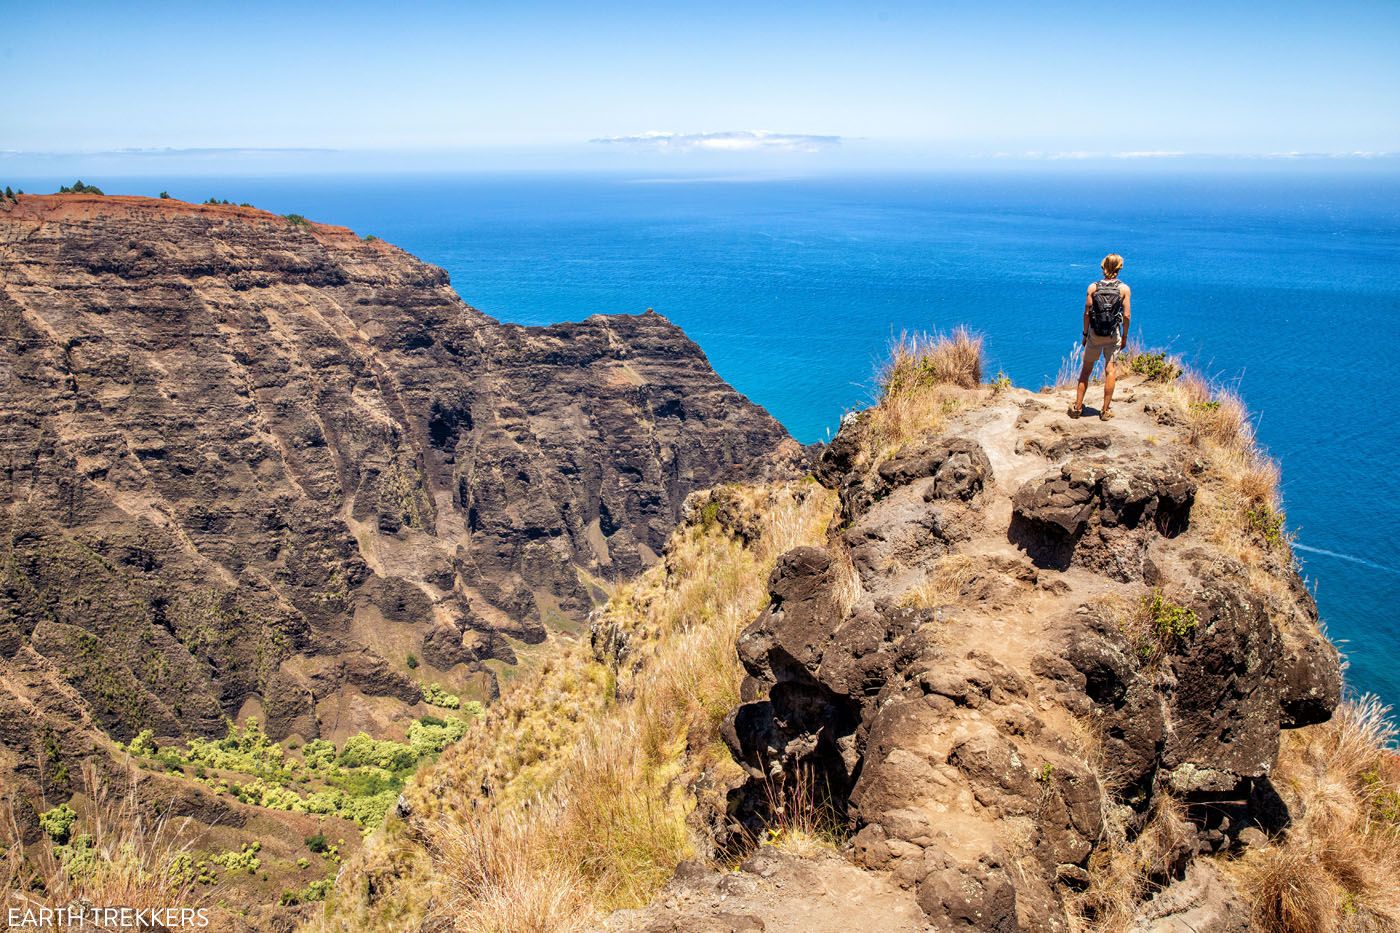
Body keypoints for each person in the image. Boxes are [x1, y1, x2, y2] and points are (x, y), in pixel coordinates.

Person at [1069, 253, 1131, 420]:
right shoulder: (1124, 289)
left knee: (1085, 371)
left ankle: (1077, 408)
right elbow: (1126, 316)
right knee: (1110, 371)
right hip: (1113, 335)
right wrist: (1124, 337)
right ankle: (1104, 411)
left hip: (1094, 335)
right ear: (1119, 268)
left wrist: (1085, 334)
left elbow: (1086, 314)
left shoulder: (1093, 287)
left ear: (1103, 267)